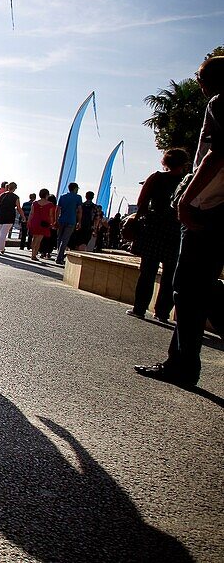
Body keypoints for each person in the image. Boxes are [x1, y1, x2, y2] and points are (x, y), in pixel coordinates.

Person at [136, 56, 224, 388]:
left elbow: (217, 154)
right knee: (199, 287)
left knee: (189, 288)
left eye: (200, 77)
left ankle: (183, 366)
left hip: (208, 209)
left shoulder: (219, 101)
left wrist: (187, 198)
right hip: (216, 211)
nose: (198, 83)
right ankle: (179, 362)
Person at [125, 150, 189, 322]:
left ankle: (139, 308)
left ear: (165, 162)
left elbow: (142, 201)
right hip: (175, 230)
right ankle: (162, 312)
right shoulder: (187, 181)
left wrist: (140, 219)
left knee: (148, 271)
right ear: (184, 164)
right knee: (170, 273)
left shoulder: (157, 177)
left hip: (153, 227)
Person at [0, 181, 25, 255]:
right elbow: (19, 208)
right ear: (15, 189)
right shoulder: (15, 197)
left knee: (2, 233)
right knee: (3, 234)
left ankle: (2, 248)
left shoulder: (2, 195)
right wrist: (23, 216)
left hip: (0, 216)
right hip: (9, 217)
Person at [54, 182, 82, 265]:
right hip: (71, 220)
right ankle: (59, 258)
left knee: (59, 239)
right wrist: (79, 222)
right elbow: (80, 211)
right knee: (65, 240)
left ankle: (59, 255)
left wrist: (56, 220)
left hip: (61, 220)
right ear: (75, 188)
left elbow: (57, 209)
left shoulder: (62, 197)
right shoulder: (78, 197)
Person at [27, 188, 57, 261]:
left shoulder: (35, 203)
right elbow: (50, 215)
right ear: (46, 195)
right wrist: (52, 223)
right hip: (44, 223)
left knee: (34, 238)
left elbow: (31, 213)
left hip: (34, 221)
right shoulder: (50, 204)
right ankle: (34, 254)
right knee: (39, 240)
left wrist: (29, 221)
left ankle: (32, 253)